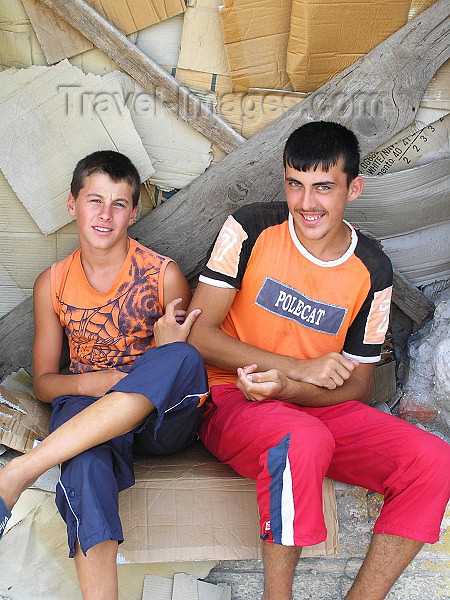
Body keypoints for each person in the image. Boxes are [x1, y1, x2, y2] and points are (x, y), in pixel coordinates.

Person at [187, 121, 450, 600]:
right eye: (295, 184)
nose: (307, 204)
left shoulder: (371, 266)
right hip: (231, 397)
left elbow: (359, 385)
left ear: (354, 188)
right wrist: (295, 369)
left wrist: (292, 387)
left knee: (434, 461)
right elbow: (198, 335)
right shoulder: (250, 227)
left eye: (324, 187)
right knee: (299, 439)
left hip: (315, 404)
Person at [0, 151, 208, 599]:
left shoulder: (162, 274)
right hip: (88, 409)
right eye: (95, 200)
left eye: (119, 204)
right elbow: (43, 383)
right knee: (85, 464)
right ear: (72, 204)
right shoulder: (51, 284)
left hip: (158, 424)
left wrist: (167, 346)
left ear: (134, 212)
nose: (105, 214)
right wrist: (93, 382)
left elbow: (180, 371)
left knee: (184, 359)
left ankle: (20, 472)